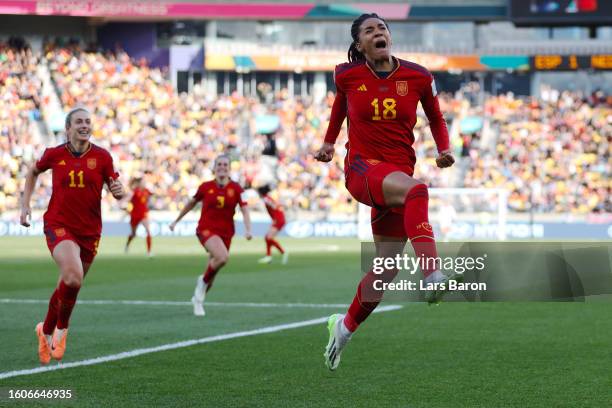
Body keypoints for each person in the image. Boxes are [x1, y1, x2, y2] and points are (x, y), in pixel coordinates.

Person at [315, 13, 457, 370]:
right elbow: (339, 109)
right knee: (418, 192)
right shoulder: (347, 75)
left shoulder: (419, 76)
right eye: (369, 30)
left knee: (387, 267)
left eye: (382, 28)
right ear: (359, 45)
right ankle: (433, 273)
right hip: (363, 169)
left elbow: (435, 117)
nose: (378, 33)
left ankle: (342, 330)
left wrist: (443, 149)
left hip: (396, 173)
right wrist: (329, 143)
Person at [20, 107, 125, 364]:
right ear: (68, 128)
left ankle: (44, 330)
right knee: (73, 275)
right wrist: (25, 204)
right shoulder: (55, 155)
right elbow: (32, 172)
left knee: (69, 285)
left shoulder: (102, 157)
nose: (84, 125)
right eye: (79, 121)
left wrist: (119, 190)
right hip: (59, 224)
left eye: (88, 121)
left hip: (90, 231)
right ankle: (62, 330)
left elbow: (117, 189)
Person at [169, 155, 252, 316]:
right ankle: (201, 286)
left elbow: (245, 209)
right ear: (214, 167)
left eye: (225, 164)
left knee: (212, 275)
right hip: (206, 229)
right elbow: (191, 204)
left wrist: (248, 229)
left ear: (229, 168)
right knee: (222, 257)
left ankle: (198, 298)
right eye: (219, 164)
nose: (222, 167)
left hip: (226, 232)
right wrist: (176, 221)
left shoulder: (236, 189)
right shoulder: (205, 187)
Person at [256, 185, 288, 265]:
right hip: (278, 219)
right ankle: (268, 257)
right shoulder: (267, 198)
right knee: (267, 238)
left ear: (260, 193)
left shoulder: (266, 199)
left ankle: (283, 252)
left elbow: (275, 206)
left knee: (268, 237)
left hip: (279, 219)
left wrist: (276, 218)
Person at [124, 176, 153, 256]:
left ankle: (149, 252)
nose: (144, 183)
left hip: (143, 214)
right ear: (139, 183)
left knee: (148, 231)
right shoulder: (135, 191)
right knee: (133, 234)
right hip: (135, 215)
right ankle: (127, 245)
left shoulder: (147, 191)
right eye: (143, 182)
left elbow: (153, 194)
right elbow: (129, 200)